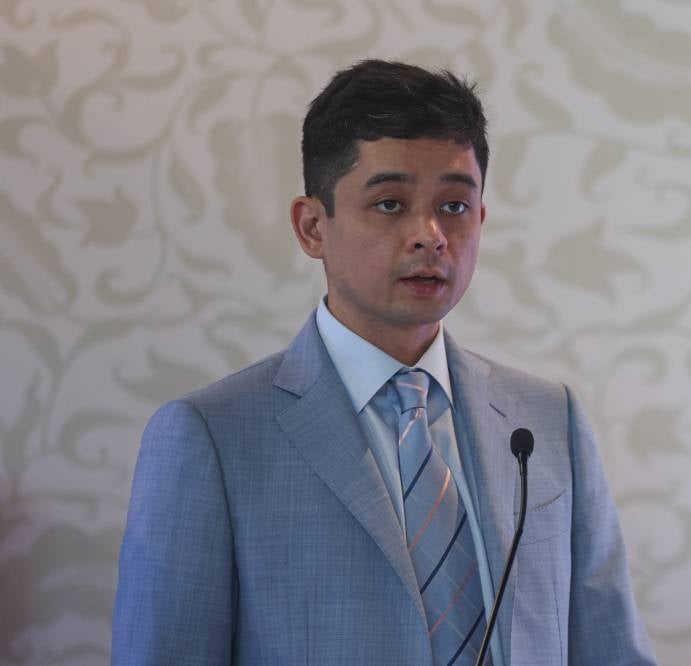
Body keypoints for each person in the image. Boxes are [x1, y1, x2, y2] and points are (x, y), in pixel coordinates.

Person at [112, 59, 656, 665]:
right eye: (391, 204)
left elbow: (611, 651)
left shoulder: (548, 420)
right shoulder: (209, 438)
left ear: (481, 218)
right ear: (313, 225)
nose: (430, 235)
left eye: (453, 206)